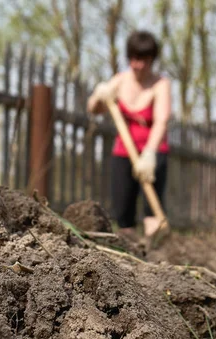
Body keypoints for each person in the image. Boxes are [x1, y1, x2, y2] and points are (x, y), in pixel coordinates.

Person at [86, 30, 171, 242]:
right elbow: (93, 108)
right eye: (133, 58)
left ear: (151, 60)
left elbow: (161, 121)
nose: (137, 64)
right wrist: (99, 95)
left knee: (152, 211)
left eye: (142, 59)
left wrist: (149, 154)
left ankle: (155, 250)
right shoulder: (120, 80)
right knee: (123, 212)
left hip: (153, 153)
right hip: (123, 152)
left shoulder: (160, 85)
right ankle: (129, 250)